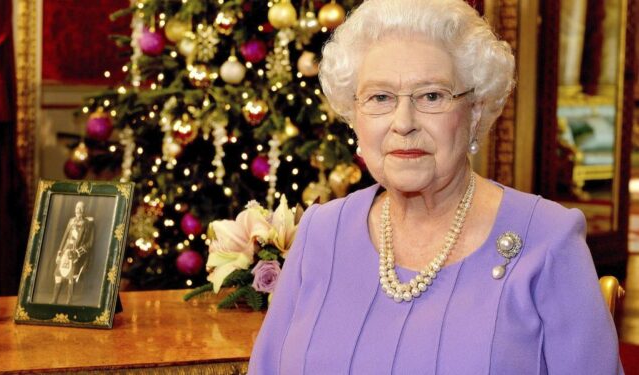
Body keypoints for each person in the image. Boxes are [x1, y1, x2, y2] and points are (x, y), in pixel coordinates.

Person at [248, 0, 623, 374]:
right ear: (354, 115)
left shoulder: (548, 241)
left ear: (474, 112)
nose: (403, 122)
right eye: (380, 97)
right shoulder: (319, 233)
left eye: (431, 96)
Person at [50, 201, 94, 305]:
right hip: (66, 251)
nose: (78, 210)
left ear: (84, 210)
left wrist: (78, 252)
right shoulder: (71, 221)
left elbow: (90, 243)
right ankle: (54, 300)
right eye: (77, 207)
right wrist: (59, 252)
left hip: (76, 254)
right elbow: (65, 237)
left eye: (81, 208)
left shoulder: (88, 224)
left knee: (71, 277)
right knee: (58, 274)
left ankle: (69, 301)